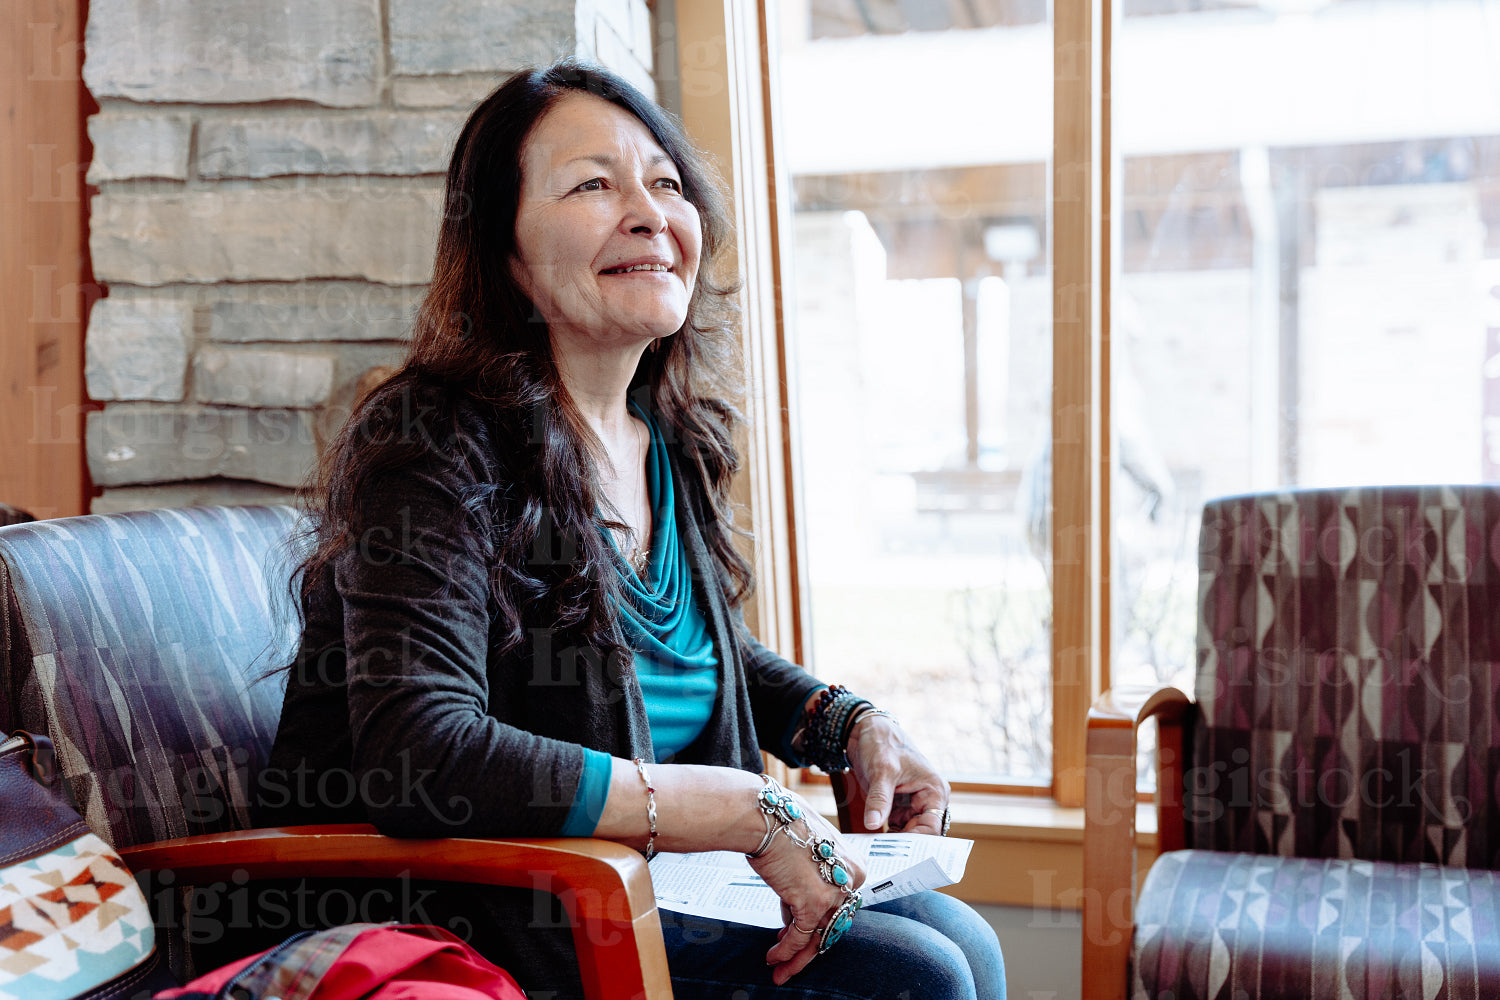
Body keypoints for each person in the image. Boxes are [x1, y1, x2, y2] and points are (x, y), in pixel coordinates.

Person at [263, 58, 1005, 1000]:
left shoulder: (665, 440)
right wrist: (739, 807)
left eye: (664, 182)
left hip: (651, 891)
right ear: (508, 256)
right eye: (592, 184)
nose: (651, 211)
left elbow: (686, 655)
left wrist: (846, 724)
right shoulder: (430, 440)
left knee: (958, 939)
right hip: (490, 910)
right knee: (917, 976)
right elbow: (422, 751)